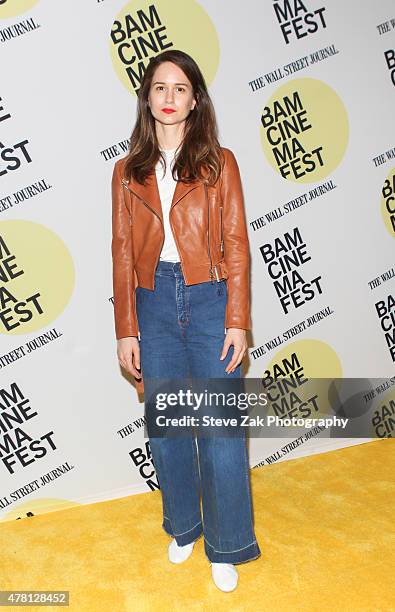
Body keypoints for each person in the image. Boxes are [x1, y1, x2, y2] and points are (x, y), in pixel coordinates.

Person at [111, 49, 261, 593]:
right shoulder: (127, 173)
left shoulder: (220, 162)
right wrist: (126, 328)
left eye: (180, 88)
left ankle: (227, 544)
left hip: (208, 299)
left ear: (195, 99)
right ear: (147, 98)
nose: (169, 97)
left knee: (221, 432)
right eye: (159, 88)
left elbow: (238, 245)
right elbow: (122, 253)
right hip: (151, 305)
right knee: (169, 429)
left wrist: (236, 318)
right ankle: (186, 526)